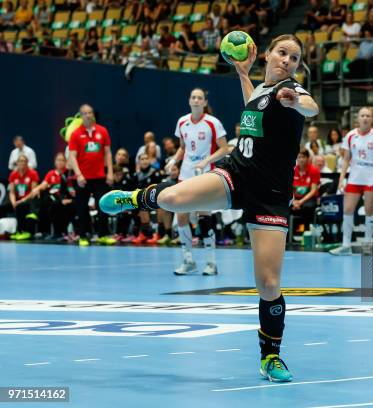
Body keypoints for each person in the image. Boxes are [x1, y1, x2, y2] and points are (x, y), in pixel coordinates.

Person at [100, 34, 319, 382]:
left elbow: (311, 106)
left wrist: (295, 100)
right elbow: (255, 105)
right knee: (173, 199)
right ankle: (134, 198)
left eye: (294, 58)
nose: (287, 61)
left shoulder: (291, 91)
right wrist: (243, 74)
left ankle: (270, 357)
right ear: (267, 54)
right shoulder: (262, 91)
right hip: (238, 174)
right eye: (282, 53)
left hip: (271, 194)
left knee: (267, 283)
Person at [163, 88, 228, 275]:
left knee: (203, 216)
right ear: (189, 100)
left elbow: (225, 148)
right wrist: (173, 161)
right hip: (185, 173)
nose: (196, 100)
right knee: (181, 214)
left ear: (205, 102)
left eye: (200, 98)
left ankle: (211, 263)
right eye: (193, 97)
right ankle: (188, 260)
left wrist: (207, 160)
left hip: (205, 174)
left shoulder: (212, 122)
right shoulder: (182, 122)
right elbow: (182, 148)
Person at [330, 106, 373, 256]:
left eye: (368, 116)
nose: (365, 118)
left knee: (369, 212)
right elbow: (345, 160)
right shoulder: (350, 136)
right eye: (362, 115)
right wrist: (341, 179)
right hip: (354, 178)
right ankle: (346, 245)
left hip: (371, 178)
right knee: (348, 210)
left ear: (372, 119)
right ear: (358, 118)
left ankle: (367, 245)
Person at [68, 104, 116, 246]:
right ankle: (83, 236)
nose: (88, 115)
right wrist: (78, 175)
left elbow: (107, 153)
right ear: (80, 116)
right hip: (83, 178)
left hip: (100, 177)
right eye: (85, 113)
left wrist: (110, 173)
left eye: (90, 112)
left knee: (103, 206)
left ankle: (103, 235)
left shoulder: (102, 131)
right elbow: (72, 156)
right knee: (82, 208)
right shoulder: (76, 134)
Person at [23, 152, 75, 240]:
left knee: (52, 204)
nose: (60, 162)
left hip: (65, 199)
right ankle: (38, 222)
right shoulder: (51, 173)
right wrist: (36, 189)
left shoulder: (68, 174)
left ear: (66, 162)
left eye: (62, 160)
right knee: (43, 198)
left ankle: (59, 233)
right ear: (55, 162)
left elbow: (72, 191)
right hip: (52, 198)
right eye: (58, 160)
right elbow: (43, 185)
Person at [8, 155, 39, 240]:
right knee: (5, 207)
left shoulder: (33, 173)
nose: (22, 163)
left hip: (30, 199)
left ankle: (25, 231)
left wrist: (22, 200)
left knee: (21, 206)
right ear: (17, 163)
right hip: (18, 199)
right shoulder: (13, 175)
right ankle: (13, 231)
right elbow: (11, 192)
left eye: (24, 161)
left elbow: (33, 191)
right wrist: (13, 201)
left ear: (27, 163)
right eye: (20, 161)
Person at [292, 148, 320, 232]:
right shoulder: (292, 170)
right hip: (295, 198)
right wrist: (293, 201)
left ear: (308, 158)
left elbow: (313, 190)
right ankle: (289, 235)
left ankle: (306, 232)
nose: (301, 159)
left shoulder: (314, 170)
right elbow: (289, 189)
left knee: (307, 207)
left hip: (309, 198)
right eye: (299, 157)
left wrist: (300, 202)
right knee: (286, 207)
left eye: (303, 157)